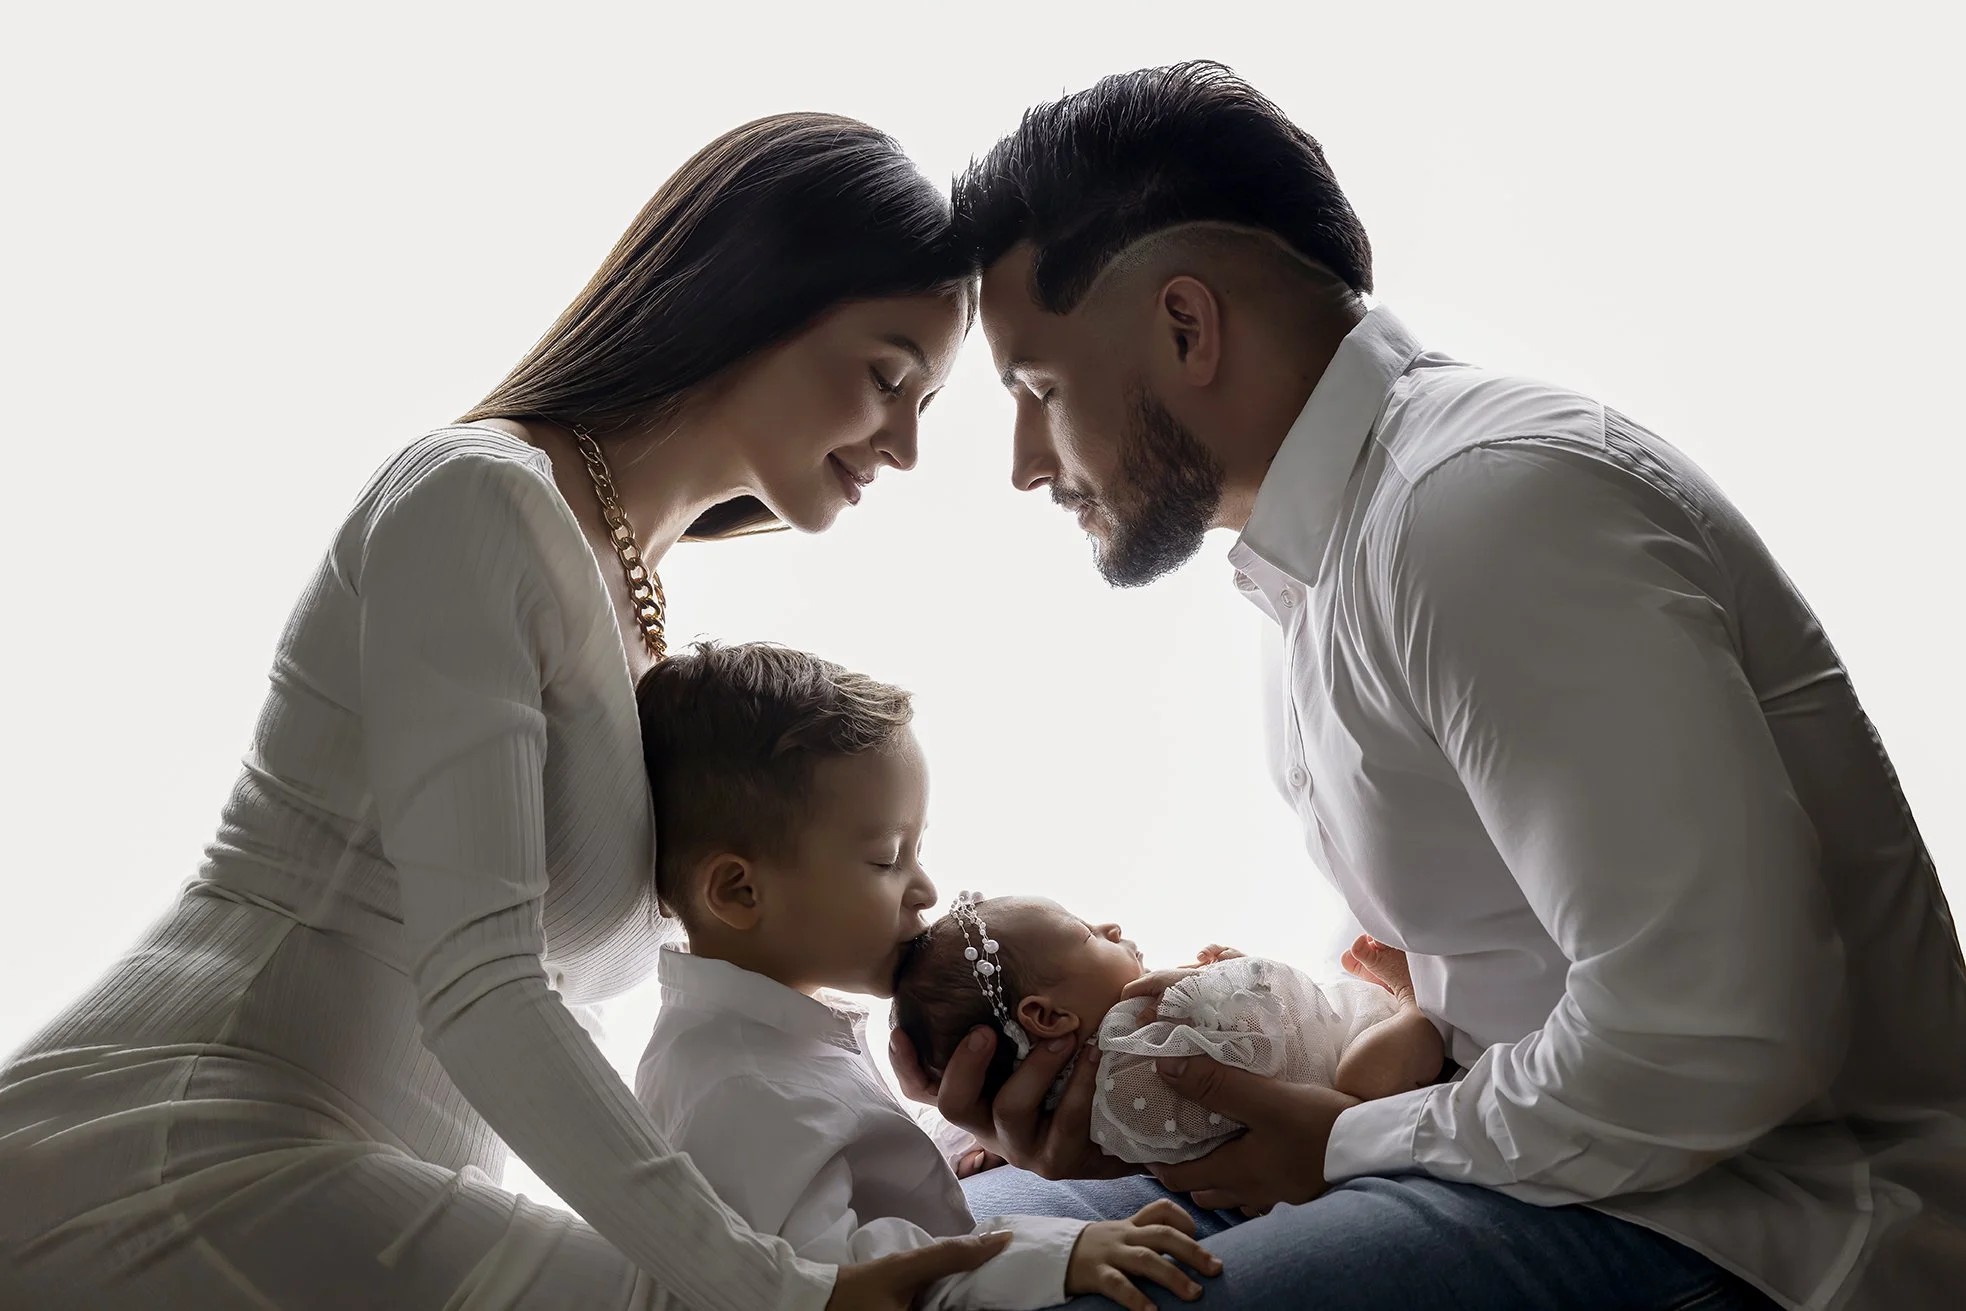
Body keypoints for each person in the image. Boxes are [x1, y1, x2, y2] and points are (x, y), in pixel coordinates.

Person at [889, 62, 1966, 1310]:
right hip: (1555, 1157)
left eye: (1036, 392)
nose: (1026, 463)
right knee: (956, 1240)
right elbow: (1483, 975)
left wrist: (1335, 1142)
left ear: (1186, 328)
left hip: (1760, 1219)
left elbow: (1719, 1033)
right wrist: (1169, 1092)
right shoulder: (1324, 559)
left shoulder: (1480, 511)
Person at [0, 112, 1002, 1310]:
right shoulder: (477, 500)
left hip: (357, 1169)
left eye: (926, 406)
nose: (900, 447)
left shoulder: (635, 614)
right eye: (888, 378)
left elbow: (711, 1018)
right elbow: (477, 987)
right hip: (183, 1143)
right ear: (757, 295)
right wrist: (778, 1287)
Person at [630, 641, 1220, 1311]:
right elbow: (843, 1284)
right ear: (739, 891)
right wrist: (1059, 1256)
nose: (926, 889)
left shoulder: (766, 1033)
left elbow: (851, 1177)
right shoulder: (738, 1086)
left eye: (919, 849)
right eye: (886, 859)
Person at [892, 897, 1443, 1163]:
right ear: (1049, 1017)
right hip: (1359, 1094)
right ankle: (1412, 1003)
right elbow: (1262, 1012)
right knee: (1364, 1075)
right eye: (1087, 935)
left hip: (1309, 1097)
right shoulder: (1140, 1052)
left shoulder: (1084, 1104)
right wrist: (1210, 983)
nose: (1111, 926)